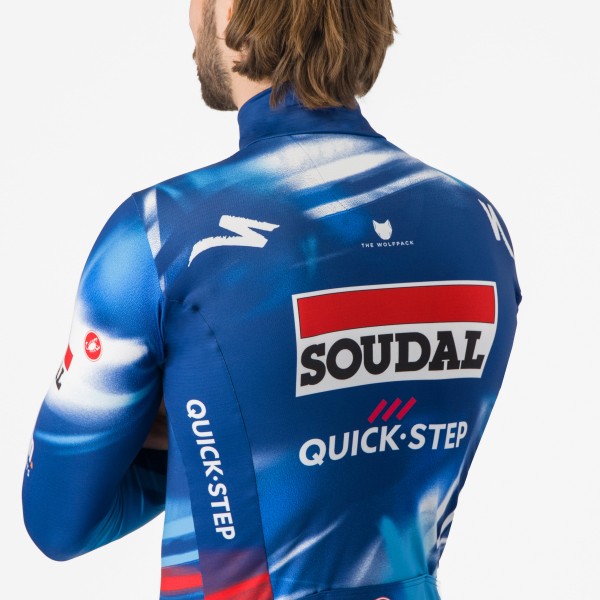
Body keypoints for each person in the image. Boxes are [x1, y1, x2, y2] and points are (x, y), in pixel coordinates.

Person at [22, 0, 521, 598]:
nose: (189, 16)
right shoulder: (480, 226)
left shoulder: (161, 234)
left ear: (230, 9)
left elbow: (57, 520)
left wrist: (191, 415)